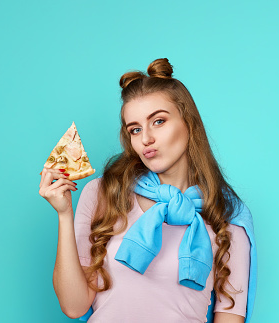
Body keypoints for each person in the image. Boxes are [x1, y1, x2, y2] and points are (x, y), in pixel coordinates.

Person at [39, 58, 257, 322]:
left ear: (188, 122)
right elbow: (74, 307)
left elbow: (229, 315)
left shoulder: (226, 214)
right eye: (135, 129)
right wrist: (64, 214)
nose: (146, 139)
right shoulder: (103, 194)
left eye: (159, 121)